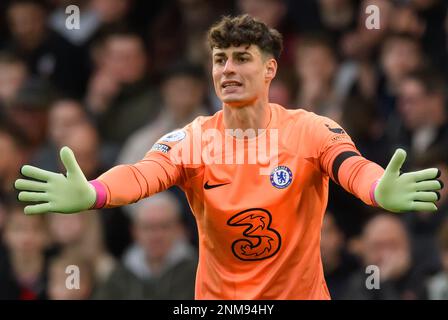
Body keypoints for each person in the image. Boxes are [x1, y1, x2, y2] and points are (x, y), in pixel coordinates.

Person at [15, 15, 443, 299]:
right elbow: (145, 173)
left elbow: (349, 166)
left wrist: (374, 187)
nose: (228, 69)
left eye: (242, 59)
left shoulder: (310, 129)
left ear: (271, 69)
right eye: (220, 60)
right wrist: (96, 191)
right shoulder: (192, 139)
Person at [93, 192, 197, 299]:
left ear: (179, 229)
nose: (156, 235)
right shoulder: (120, 277)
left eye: (164, 226)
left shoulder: (197, 272)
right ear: (135, 232)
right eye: (148, 228)